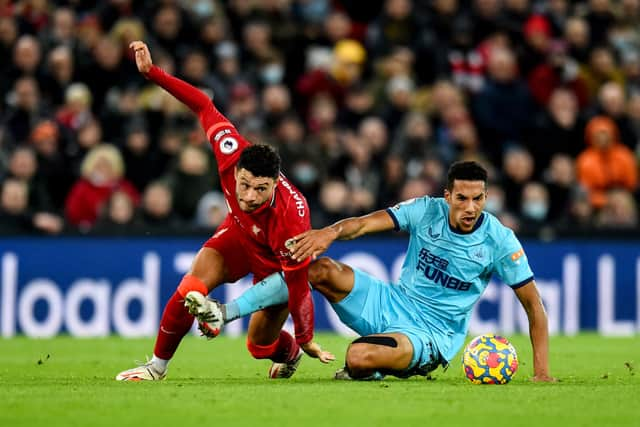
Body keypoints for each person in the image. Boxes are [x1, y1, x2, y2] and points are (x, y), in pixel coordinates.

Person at [115, 41, 333, 381]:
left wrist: (306, 340)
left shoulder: (292, 220)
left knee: (259, 346)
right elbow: (203, 104)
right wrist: (152, 73)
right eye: (244, 184)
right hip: (238, 234)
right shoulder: (229, 149)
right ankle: (156, 368)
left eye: (261, 189)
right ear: (237, 170)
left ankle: (288, 354)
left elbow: (299, 287)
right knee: (190, 289)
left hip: (275, 264)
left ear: (275, 184)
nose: (248, 195)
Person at [286, 161, 556, 381]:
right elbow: (363, 225)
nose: (470, 207)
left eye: (477, 199)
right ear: (447, 196)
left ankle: (377, 365)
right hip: (390, 301)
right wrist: (330, 233)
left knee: (357, 356)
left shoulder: (500, 241)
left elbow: (534, 306)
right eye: (462, 198)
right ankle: (284, 351)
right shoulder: (426, 209)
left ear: (486, 197)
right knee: (318, 270)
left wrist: (541, 372)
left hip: (430, 333)